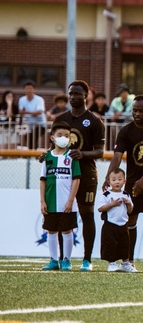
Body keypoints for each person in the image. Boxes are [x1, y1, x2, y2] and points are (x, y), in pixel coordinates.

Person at [105, 95, 143, 272]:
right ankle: (129, 261)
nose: (137, 114)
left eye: (141, 111)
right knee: (130, 219)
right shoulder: (125, 131)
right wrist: (108, 177)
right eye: (134, 110)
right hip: (132, 182)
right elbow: (117, 156)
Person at [56, 80, 105, 272]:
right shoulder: (60, 119)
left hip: (86, 174)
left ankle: (87, 259)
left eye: (77, 94)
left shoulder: (94, 121)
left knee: (86, 215)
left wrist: (82, 154)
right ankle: (63, 258)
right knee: (63, 215)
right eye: (71, 94)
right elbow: (54, 147)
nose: (73, 97)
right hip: (64, 174)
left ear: (86, 96)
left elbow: (100, 151)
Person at [39, 122, 80, 272]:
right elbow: (42, 180)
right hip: (50, 202)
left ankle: (66, 260)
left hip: (67, 203)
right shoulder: (47, 157)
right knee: (51, 230)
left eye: (67, 136)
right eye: (60, 135)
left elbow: (76, 179)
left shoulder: (72, 156)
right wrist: (42, 201)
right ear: (52, 137)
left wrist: (70, 200)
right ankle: (53, 260)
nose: (64, 138)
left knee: (67, 230)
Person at [96, 168, 134, 273]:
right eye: (114, 180)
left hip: (123, 224)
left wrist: (128, 204)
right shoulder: (106, 195)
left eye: (119, 179)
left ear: (124, 181)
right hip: (110, 224)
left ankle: (126, 263)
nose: (117, 182)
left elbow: (130, 210)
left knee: (125, 244)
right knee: (110, 244)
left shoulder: (126, 194)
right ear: (109, 182)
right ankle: (111, 263)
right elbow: (100, 208)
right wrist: (111, 204)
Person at [19, 80, 46, 145]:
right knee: (28, 139)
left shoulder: (39, 99)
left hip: (40, 124)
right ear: (24, 90)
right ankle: (30, 154)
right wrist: (30, 113)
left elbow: (39, 111)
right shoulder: (22, 99)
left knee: (33, 138)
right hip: (28, 124)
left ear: (34, 90)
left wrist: (26, 112)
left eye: (30, 88)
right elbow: (21, 111)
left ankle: (33, 154)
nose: (29, 90)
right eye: (27, 88)